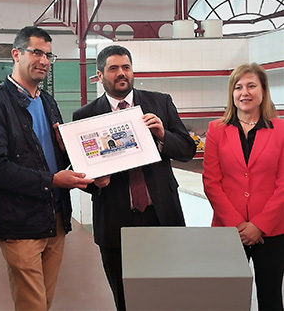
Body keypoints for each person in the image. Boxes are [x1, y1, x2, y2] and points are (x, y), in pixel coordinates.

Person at [0, 26, 93, 311]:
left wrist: (69, 154)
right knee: (32, 302)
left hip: (55, 218)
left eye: (49, 55)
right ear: (16, 54)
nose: (44, 61)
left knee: (45, 299)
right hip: (19, 221)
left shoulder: (48, 102)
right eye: (37, 52)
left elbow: (53, 156)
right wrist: (52, 179)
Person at [72, 45, 196, 310]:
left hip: (161, 216)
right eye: (114, 68)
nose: (121, 74)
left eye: (126, 67)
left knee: (169, 296)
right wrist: (95, 183)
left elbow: (187, 149)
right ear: (100, 75)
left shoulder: (159, 102)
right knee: (126, 300)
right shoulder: (85, 117)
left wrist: (163, 135)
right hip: (116, 222)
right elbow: (81, 174)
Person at [203, 63, 284, 311]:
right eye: (238, 87)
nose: (244, 92)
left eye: (251, 86)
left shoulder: (281, 130)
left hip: (271, 231)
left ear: (263, 91)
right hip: (229, 230)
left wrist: (259, 225)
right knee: (227, 298)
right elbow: (211, 181)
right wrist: (238, 225)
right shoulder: (216, 130)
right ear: (232, 93)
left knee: (270, 297)